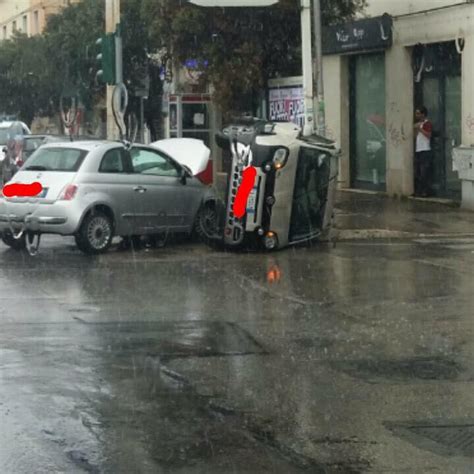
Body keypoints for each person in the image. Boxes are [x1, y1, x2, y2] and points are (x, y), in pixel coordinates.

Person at [413, 106, 433, 197]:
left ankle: (425, 191)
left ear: (423, 114)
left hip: (425, 150)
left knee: (424, 172)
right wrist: (416, 129)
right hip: (418, 150)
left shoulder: (427, 123)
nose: (416, 115)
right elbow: (415, 137)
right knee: (418, 172)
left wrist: (420, 129)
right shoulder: (418, 124)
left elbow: (428, 135)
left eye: (418, 113)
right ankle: (419, 190)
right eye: (416, 113)